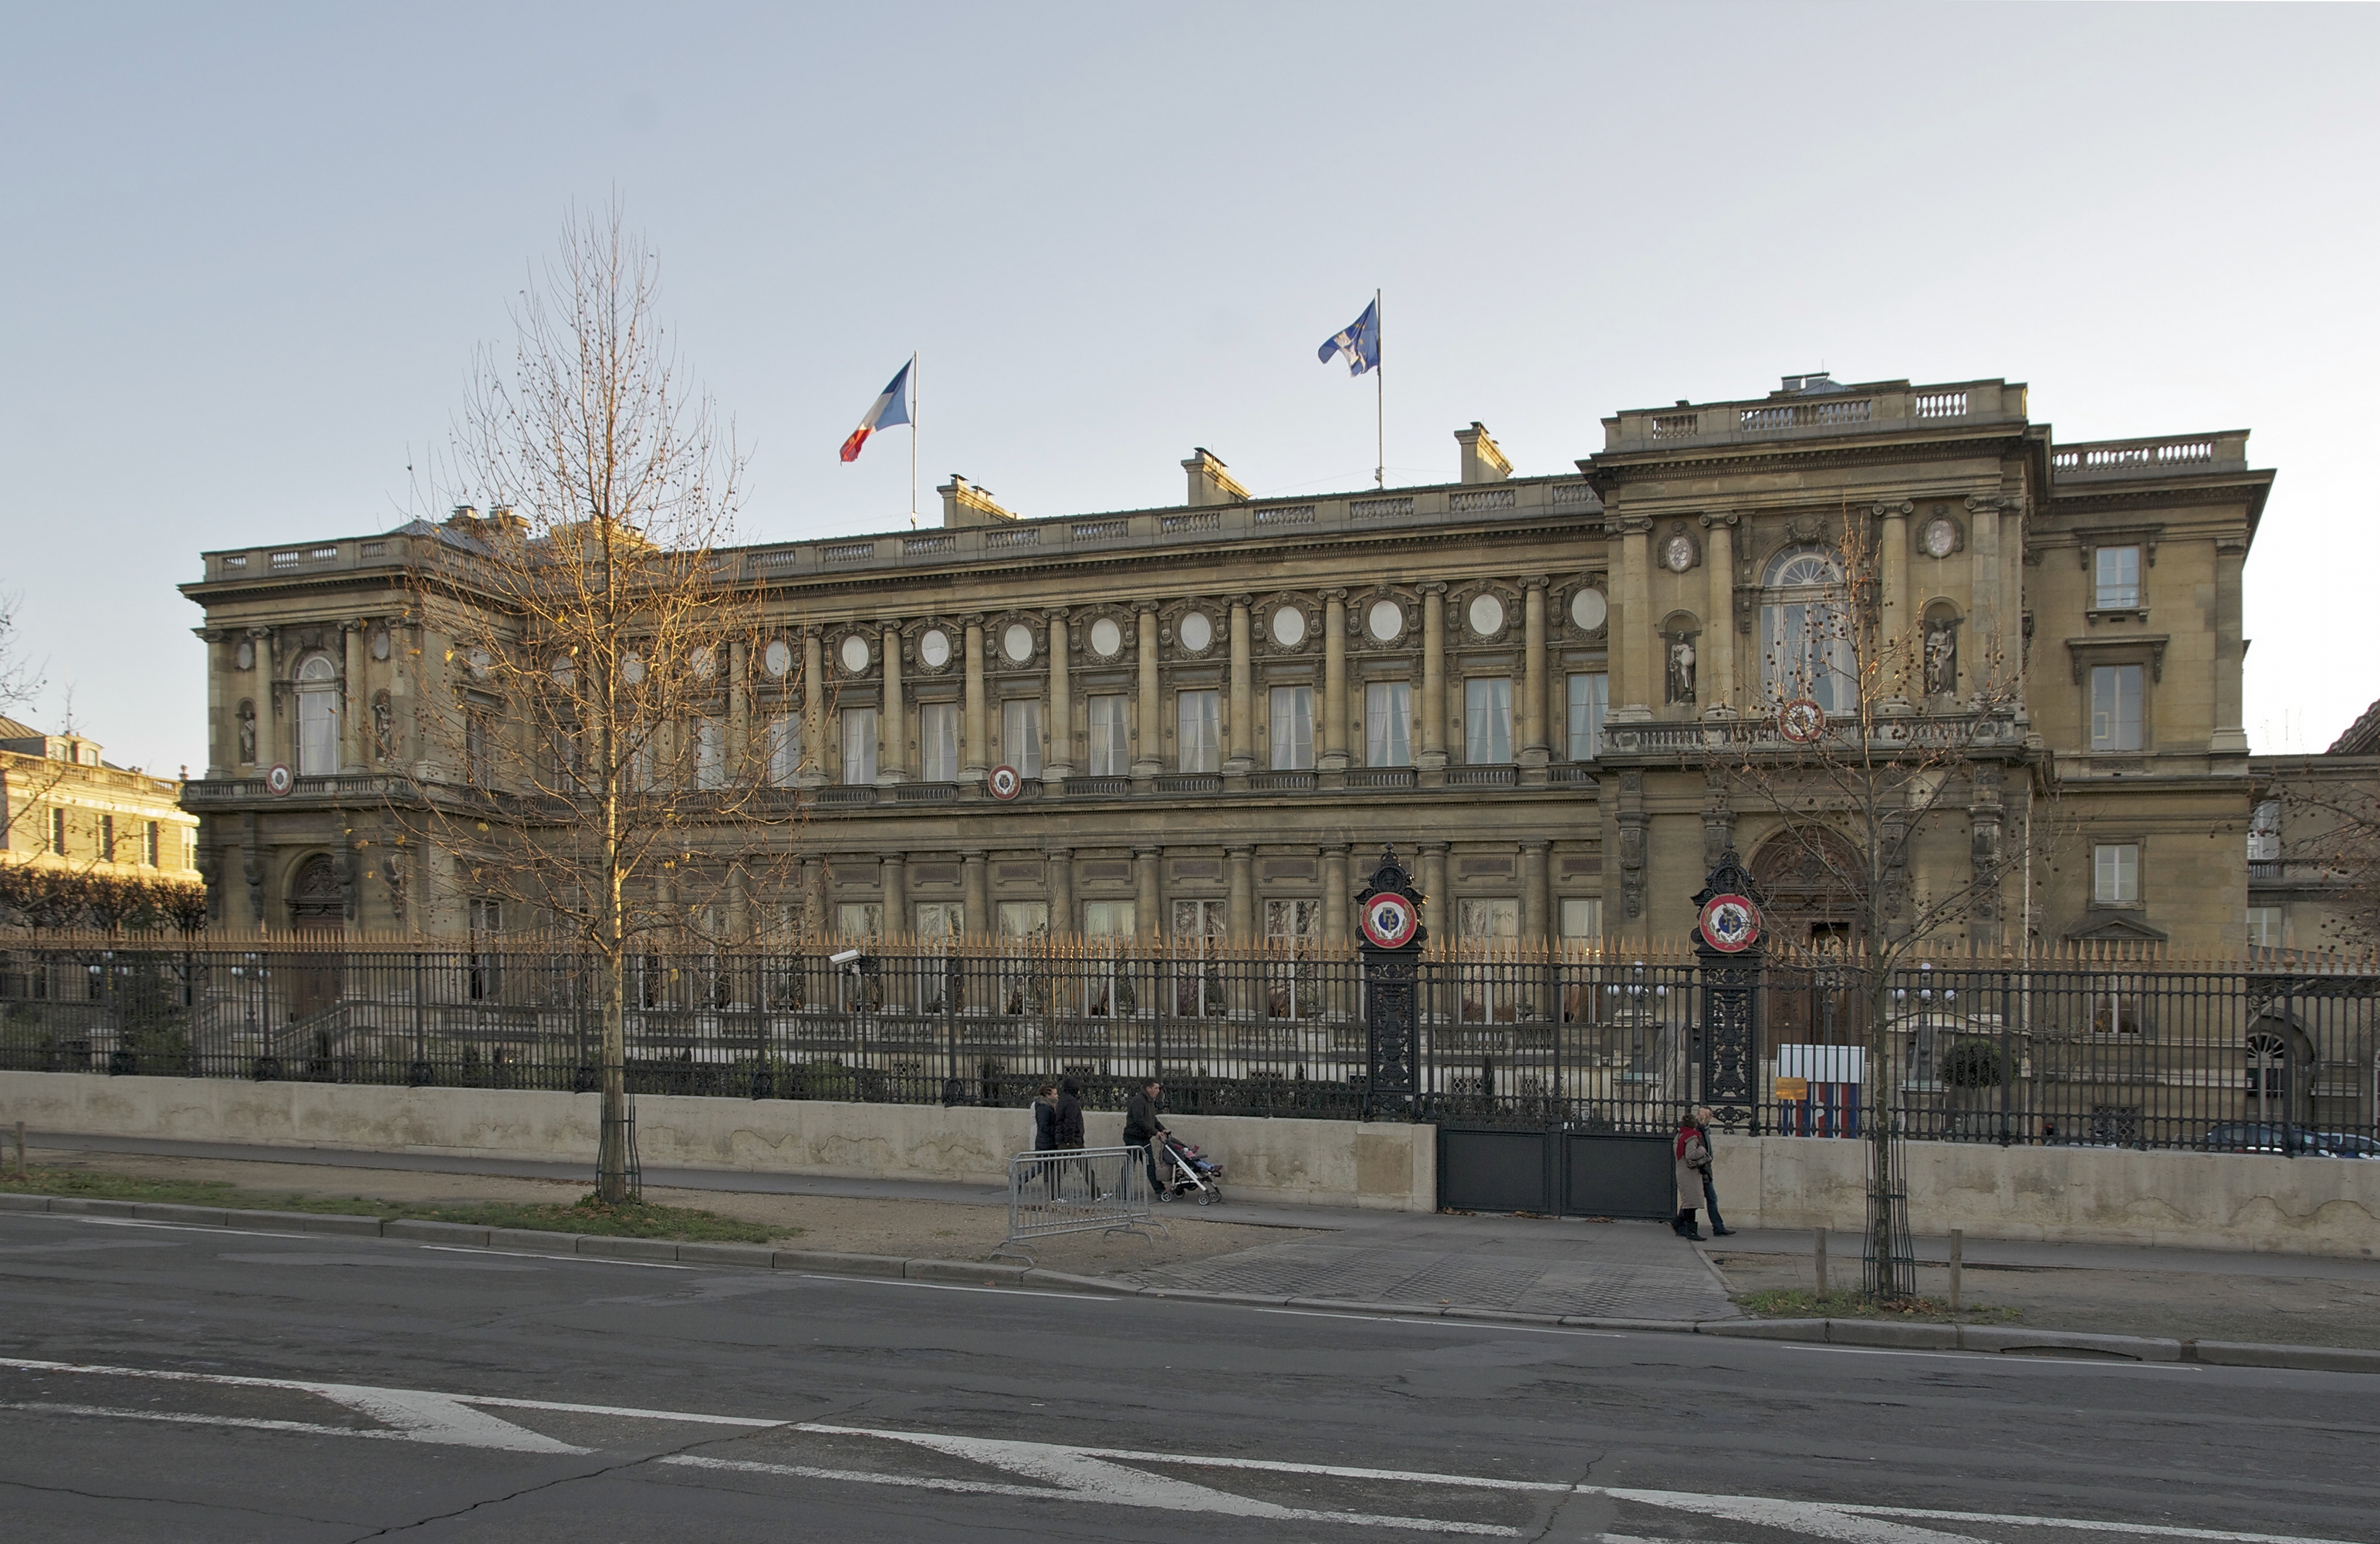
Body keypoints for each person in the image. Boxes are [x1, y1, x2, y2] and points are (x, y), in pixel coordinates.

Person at [1122, 1077, 1171, 1198]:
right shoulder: (1139, 1101)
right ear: (1148, 1089)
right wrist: (1155, 1132)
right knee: (1130, 1165)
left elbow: (1153, 1119)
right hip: (1134, 1138)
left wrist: (1162, 1129)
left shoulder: (1149, 1101)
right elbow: (1140, 1120)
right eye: (1156, 1088)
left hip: (1144, 1139)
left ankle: (1159, 1190)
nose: (1158, 1091)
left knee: (1150, 1165)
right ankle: (1122, 1191)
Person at [1692, 1104, 1734, 1237]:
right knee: (1700, 1199)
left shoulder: (1705, 1129)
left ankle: (1718, 1227)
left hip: (1705, 1170)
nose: (1703, 1117)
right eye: (1701, 1114)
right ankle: (1718, 1227)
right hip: (1700, 1170)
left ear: (1710, 1117)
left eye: (1706, 1115)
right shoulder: (1697, 1130)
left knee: (1707, 1198)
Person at [1673, 1110, 1711, 1241]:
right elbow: (1691, 1154)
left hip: (1682, 1171)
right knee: (1691, 1203)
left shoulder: (1680, 1136)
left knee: (1689, 1202)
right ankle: (1690, 1231)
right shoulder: (1692, 1137)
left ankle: (1680, 1225)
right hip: (1690, 1173)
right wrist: (1702, 1149)